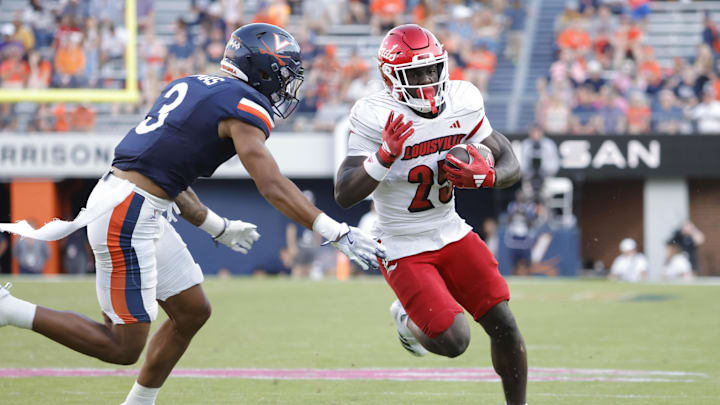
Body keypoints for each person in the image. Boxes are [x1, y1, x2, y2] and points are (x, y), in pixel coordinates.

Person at [0, 23, 384, 405]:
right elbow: (270, 183)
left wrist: (217, 226)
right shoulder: (244, 105)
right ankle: (10, 310)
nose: (286, 85)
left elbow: (166, 171)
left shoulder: (194, 85)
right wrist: (336, 231)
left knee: (191, 311)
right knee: (121, 346)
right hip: (128, 211)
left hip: (132, 201)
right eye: (283, 73)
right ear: (261, 69)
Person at [334, 25, 527, 405]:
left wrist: (488, 176)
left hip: (450, 228)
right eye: (415, 73)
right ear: (391, 77)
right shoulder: (375, 114)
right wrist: (384, 157)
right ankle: (407, 321)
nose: (426, 81)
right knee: (455, 341)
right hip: (401, 243)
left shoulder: (463, 99)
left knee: (505, 324)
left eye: (431, 70)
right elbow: (343, 192)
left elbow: (510, 163)